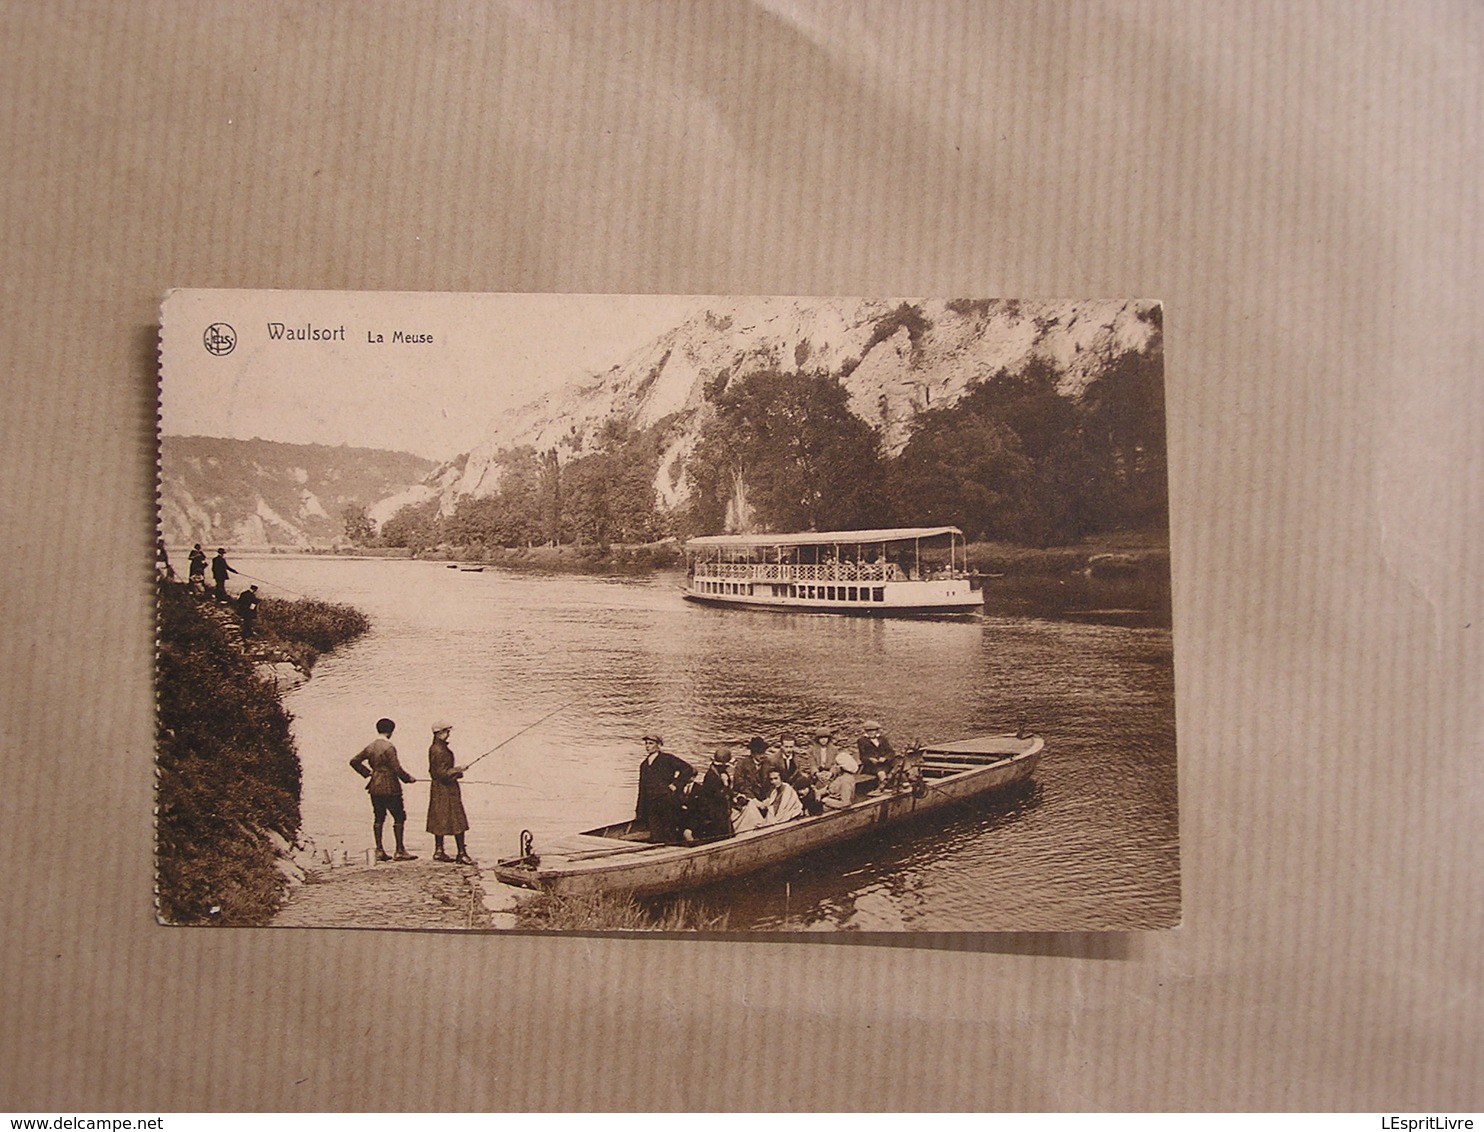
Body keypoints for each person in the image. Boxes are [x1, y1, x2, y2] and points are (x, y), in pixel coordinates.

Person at [349, 718, 418, 862]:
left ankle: (379, 850)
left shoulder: (371, 746)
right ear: (391, 731)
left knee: (379, 817)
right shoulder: (389, 747)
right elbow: (396, 768)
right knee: (399, 816)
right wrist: (408, 778)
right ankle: (399, 850)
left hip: (375, 786)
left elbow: (354, 761)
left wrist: (368, 773)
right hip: (390, 786)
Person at [426, 721, 473, 864]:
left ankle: (439, 851)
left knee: (439, 818)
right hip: (446, 788)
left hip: (438, 789)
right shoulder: (439, 750)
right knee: (458, 820)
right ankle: (461, 853)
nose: (448, 734)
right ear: (440, 734)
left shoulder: (435, 748)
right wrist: (459, 770)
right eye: (447, 732)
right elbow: (442, 773)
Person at [634, 733, 694, 843]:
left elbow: (687, 769)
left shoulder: (667, 759)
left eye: (651, 743)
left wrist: (676, 784)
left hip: (667, 800)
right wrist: (639, 808)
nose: (647, 746)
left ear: (659, 745)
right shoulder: (644, 765)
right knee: (655, 832)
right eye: (646, 744)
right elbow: (642, 788)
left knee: (669, 830)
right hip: (651, 802)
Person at [679, 747, 735, 844]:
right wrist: (726, 784)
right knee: (722, 834)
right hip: (715, 813)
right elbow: (721, 796)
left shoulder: (718, 773)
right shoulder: (712, 777)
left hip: (716, 811)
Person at [857, 720, 896, 792]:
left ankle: (903, 785)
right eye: (868, 731)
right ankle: (885, 788)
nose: (871, 732)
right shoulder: (862, 741)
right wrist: (870, 759)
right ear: (866, 731)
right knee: (881, 772)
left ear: (877, 731)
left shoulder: (883, 739)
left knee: (896, 768)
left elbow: (891, 752)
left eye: (873, 730)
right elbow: (862, 756)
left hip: (884, 763)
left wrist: (885, 758)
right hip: (871, 766)